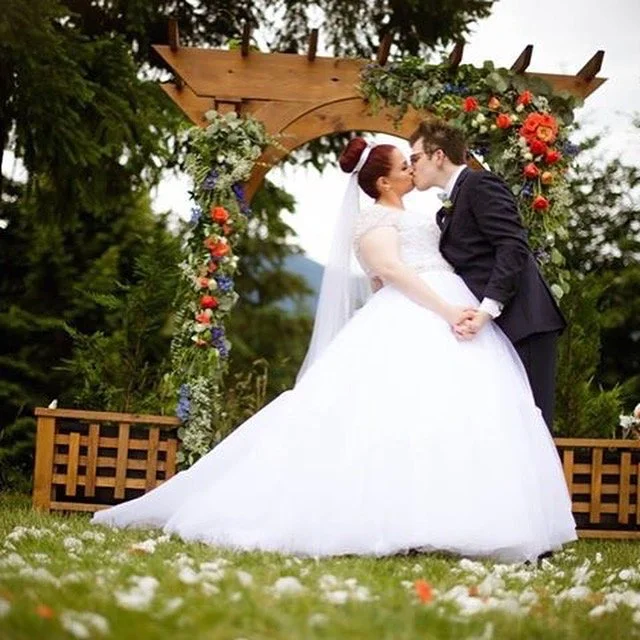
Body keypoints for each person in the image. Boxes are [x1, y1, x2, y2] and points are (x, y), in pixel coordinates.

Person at [91, 138, 576, 563]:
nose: (412, 169)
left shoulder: (424, 216)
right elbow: (395, 272)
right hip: (423, 312)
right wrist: (446, 310)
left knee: (450, 416)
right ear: (384, 181)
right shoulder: (374, 219)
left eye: (414, 162)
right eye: (403, 166)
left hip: (455, 311)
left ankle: (458, 514)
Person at [409, 120, 566, 430]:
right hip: (498, 329)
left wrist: (486, 310)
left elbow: (512, 245)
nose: (411, 167)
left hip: (525, 322)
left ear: (438, 155)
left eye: (415, 158)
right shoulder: (448, 207)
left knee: (531, 426)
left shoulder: (480, 185)